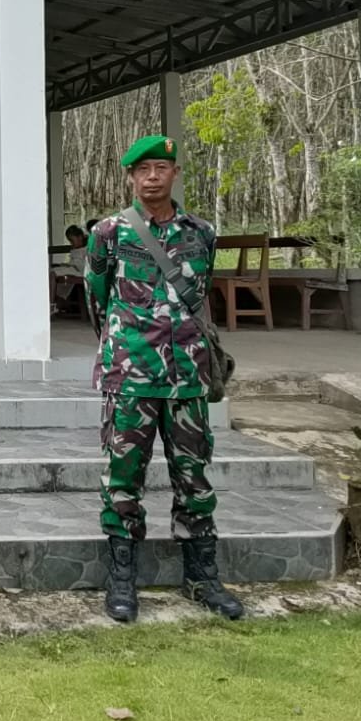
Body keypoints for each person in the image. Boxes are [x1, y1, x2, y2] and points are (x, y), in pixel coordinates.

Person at [84, 134, 243, 624]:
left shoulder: (202, 233)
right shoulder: (109, 233)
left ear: (174, 174)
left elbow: (201, 293)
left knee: (194, 477)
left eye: (161, 168)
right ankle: (122, 579)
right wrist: (126, 343)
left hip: (188, 376)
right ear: (131, 177)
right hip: (130, 375)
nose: (152, 177)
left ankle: (201, 577)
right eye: (143, 169)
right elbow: (97, 298)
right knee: (123, 478)